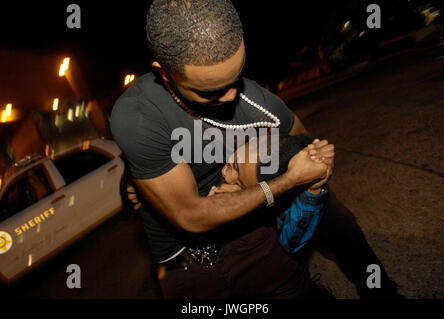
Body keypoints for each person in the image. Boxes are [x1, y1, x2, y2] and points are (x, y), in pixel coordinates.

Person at [111, 0, 400, 298]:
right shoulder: (138, 115)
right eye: (211, 91)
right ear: (165, 73)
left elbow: (306, 148)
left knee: (335, 218)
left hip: (252, 223)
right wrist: (283, 183)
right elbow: (191, 216)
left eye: (236, 78)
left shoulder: (255, 101)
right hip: (188, 257)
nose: (232, 96)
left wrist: (305, 174)